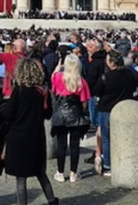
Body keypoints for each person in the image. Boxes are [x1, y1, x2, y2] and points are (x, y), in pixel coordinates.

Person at [2, 59, 59, 205]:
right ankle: (52, 200)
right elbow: (48, 114)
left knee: (21, 178)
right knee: (40, 172)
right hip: (36, 135)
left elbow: (9, 113)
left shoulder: (19, 91)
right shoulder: (43, 92)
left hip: (19, 136)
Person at [92, 51, 138, 176]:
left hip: (107, 109)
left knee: (107, 139)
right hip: (125, 108)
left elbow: (96, 91)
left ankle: (108, 165)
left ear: (111, 63)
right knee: (124, 137)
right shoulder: (130, 74)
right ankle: (124, 162)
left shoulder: (106, 77)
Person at [50, 54, 90, 183]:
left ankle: (60, 172)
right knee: (74, 145)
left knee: (61, 145)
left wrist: (58, 67)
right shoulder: (81, 82)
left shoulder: (58, 77)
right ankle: (73, 173)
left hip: (61, 114)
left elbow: (53, 86)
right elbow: (84, 102)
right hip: (76, 114)